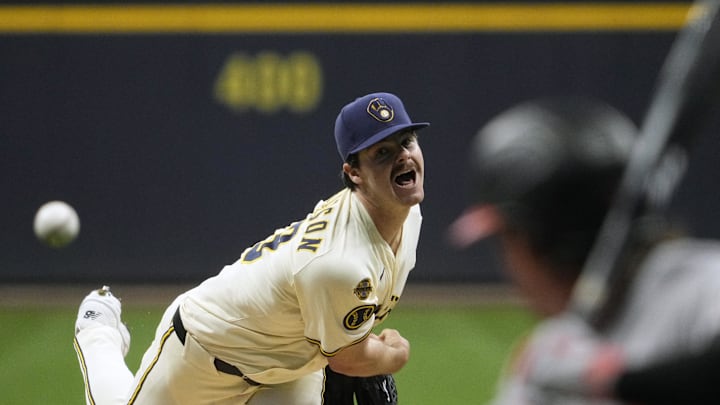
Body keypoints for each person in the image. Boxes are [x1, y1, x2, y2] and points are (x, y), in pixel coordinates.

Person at [73, 91, 430, 405]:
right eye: (383, 152)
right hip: (205, 353)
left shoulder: (406, 215)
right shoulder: (337, 262)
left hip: (290, 370)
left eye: (407, 142)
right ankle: (97, 331)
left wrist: (367, 351)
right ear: (354, 174)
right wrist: (392, 355)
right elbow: (348, 358)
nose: (403, 157)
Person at [448, 96, 720, 404]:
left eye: (509, 239)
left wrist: (613, 382)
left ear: (548, 239)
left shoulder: (702, 286)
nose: (509, 265)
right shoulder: (549, 356)